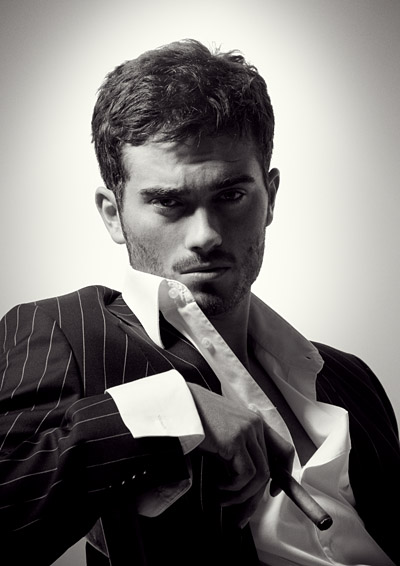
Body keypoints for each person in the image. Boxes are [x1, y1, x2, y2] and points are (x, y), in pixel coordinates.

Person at [0, 39, 399, 566]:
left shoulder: (353, 378)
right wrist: (168, 411)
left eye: (230, 195)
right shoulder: (64, 332)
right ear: (113, 214)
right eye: (169, 202)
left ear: (270, 198)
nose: (205, 235)